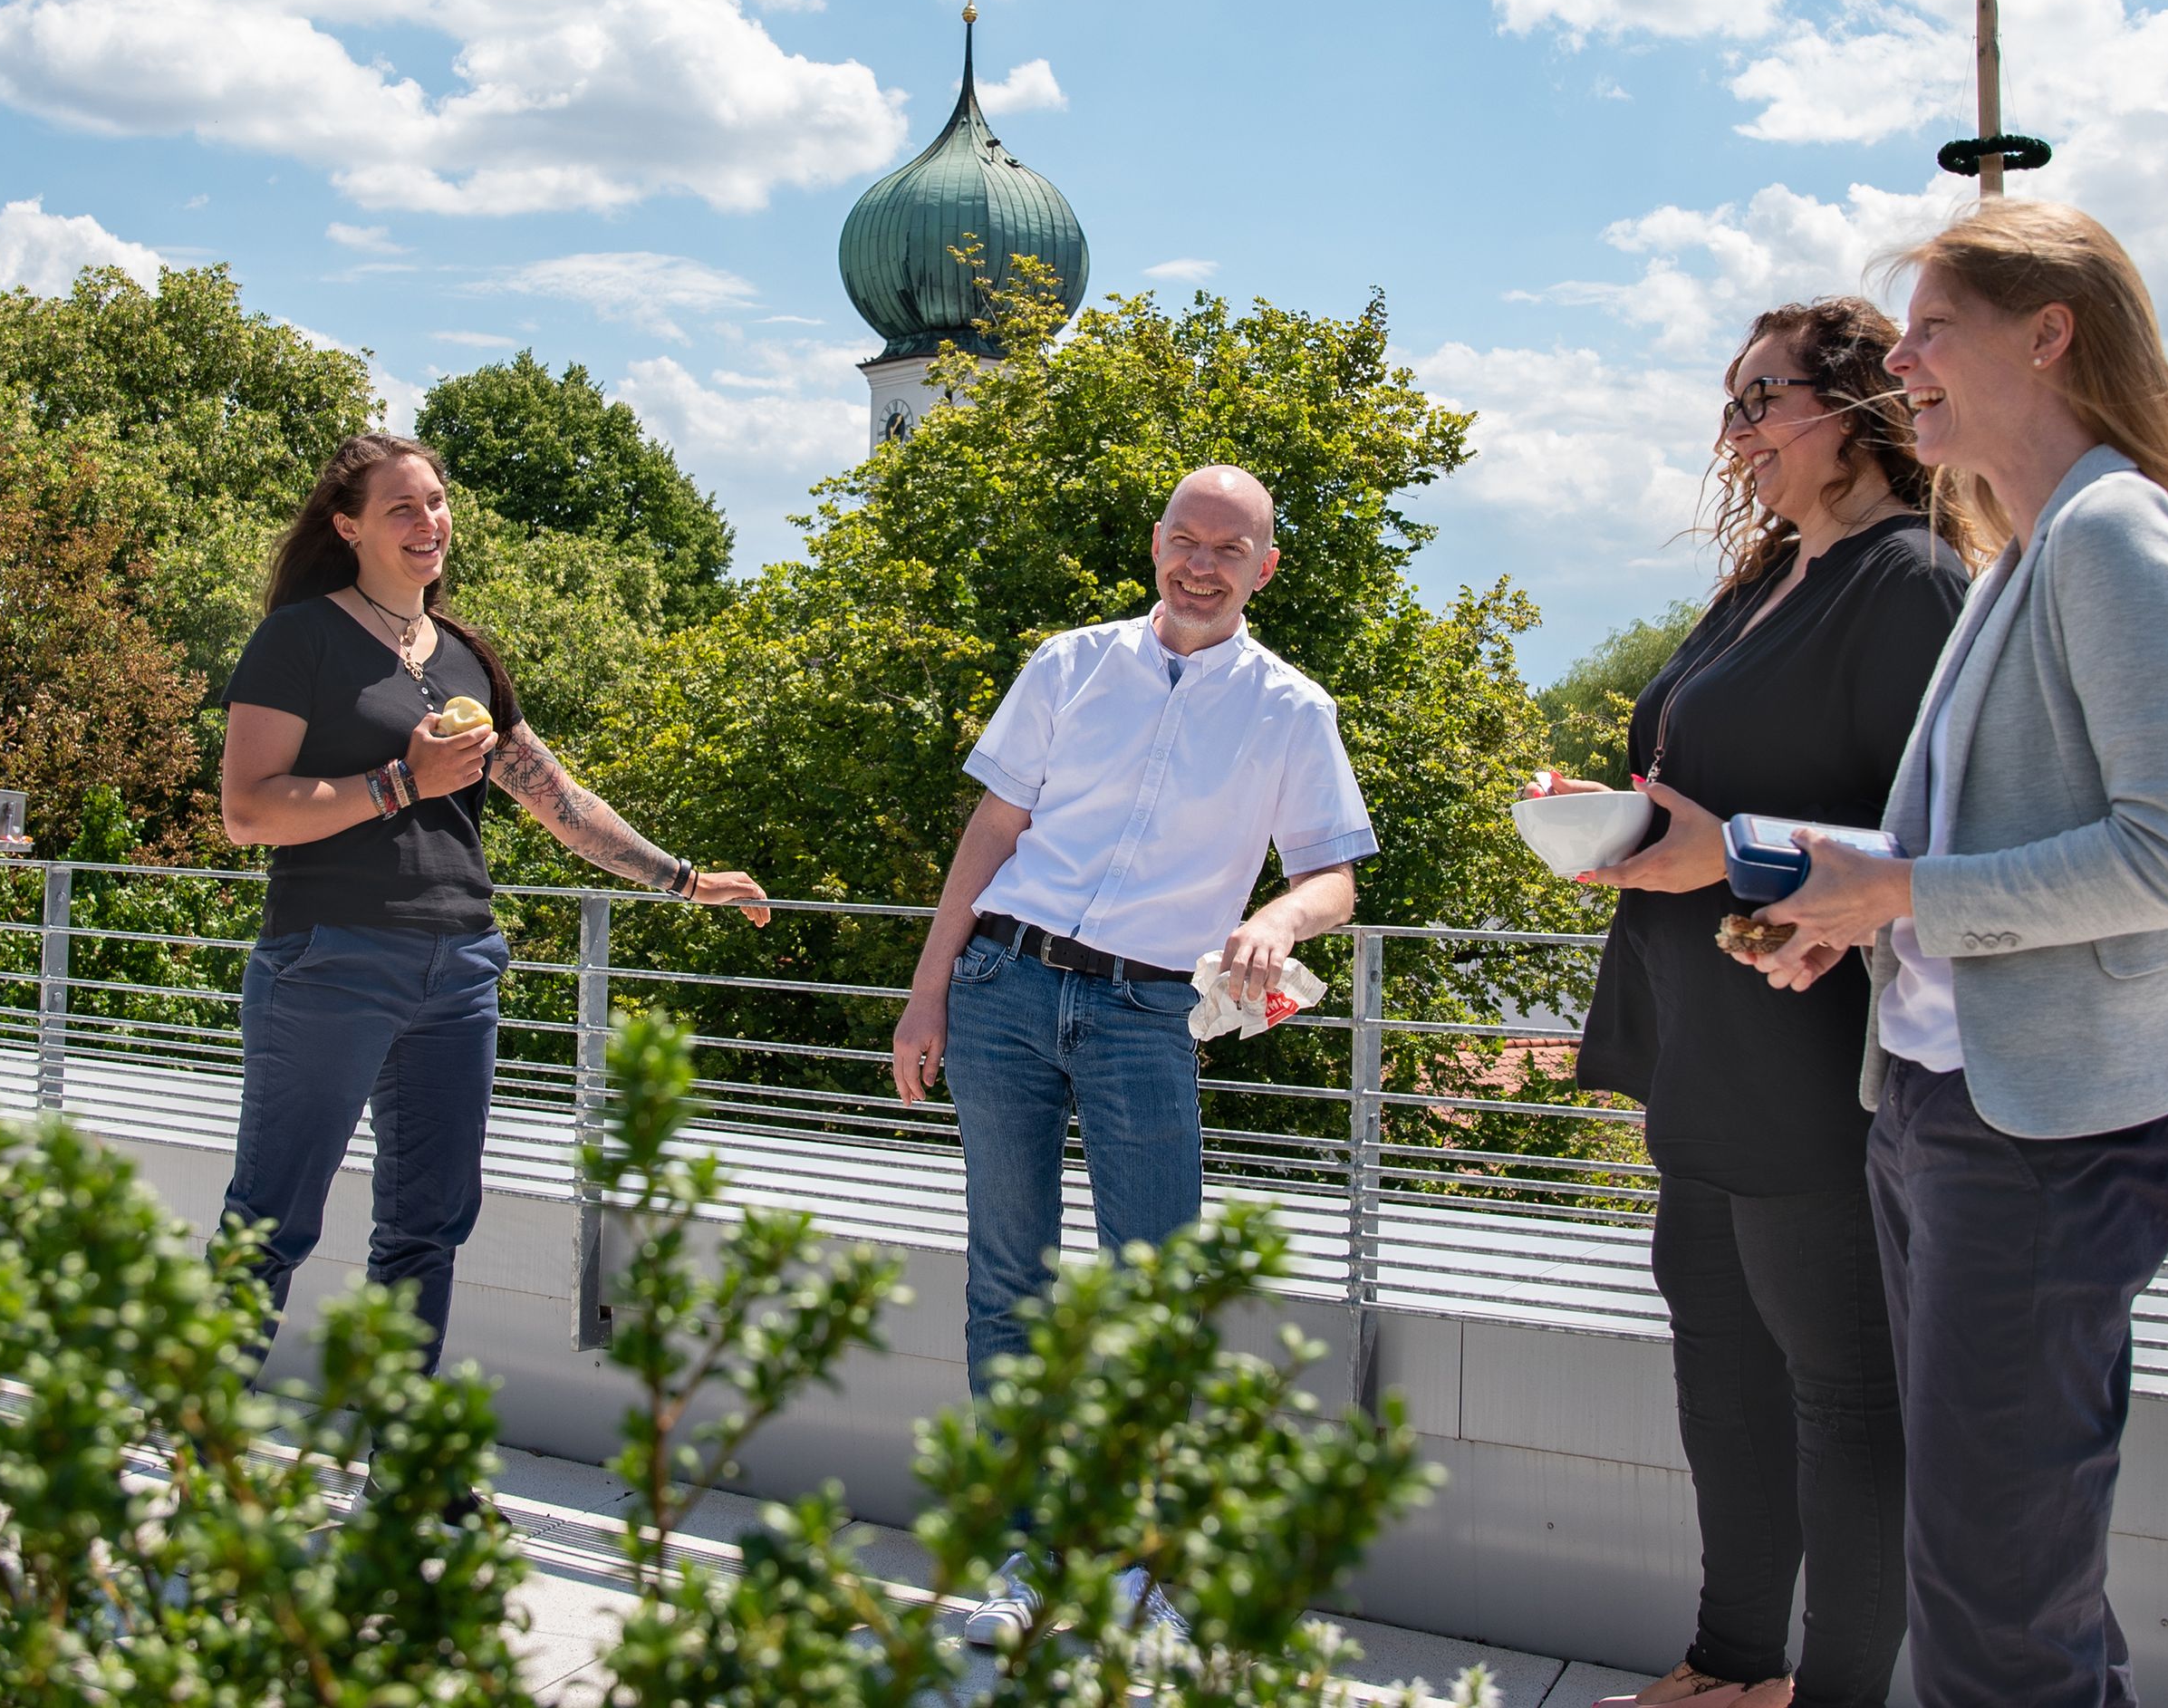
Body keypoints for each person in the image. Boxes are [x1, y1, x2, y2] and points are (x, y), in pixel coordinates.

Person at [1754, 203, 2168, 1708]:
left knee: (2001, 1610)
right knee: (1997, 1585)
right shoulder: (2023, 546)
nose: (1900, 358)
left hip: (2040, 1144)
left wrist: (1908, 894)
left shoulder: (2116, 532)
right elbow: (1970, 852)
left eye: (1932, 327)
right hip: (1948, 1113)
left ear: (2047, 331)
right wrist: (1859, 920)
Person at [1553, 298, 1969, 1708]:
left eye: (1760, 400)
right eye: (1728, 405)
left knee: (1842, 1398)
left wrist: (1718, 843)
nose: (1734, 434)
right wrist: (1625, 825)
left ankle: (1830, 1693)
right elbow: (1706, 786)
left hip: (1807, 1048)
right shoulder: (1766, 576)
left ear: (1855, 408)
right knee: (1723, 1378)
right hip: (1703, 1038)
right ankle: (1728, 1672)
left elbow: (1929, 828)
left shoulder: (1909, 580)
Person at [889, 465, 1376, 1648]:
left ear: (1265, 567)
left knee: (1154, 1294)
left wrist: (1277, 919)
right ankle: (1027, 1559)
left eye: (1229, 547)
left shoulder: (1289, 709)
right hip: (1006, 985)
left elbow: (1336, 878)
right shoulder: (1069, 663)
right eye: (1183, 540)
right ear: (1156, 545)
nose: (1200, 565)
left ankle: (1135, 1565)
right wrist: (928, 989)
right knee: (1009, 1283)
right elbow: (993, 831)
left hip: (1147, 1013)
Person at [214, 433, 770, 1374]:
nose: (428, 522)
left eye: (435, 501)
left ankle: (406, 1474)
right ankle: (202, 1452)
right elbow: (247, 811)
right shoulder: (300, 638)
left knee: (426, 1229)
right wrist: (400, 780)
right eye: (401, 507)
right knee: (270, 1222)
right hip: (330, 959)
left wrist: (680, 877)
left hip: (460, 967)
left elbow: (560, 799)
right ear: (347, 526)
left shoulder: (465, 652)